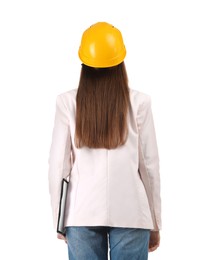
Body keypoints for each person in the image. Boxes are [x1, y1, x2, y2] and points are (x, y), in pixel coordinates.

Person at [48, 22, 162, 260]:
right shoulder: (140, 103)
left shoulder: (67, 103)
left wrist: (60, 219)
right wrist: (155, 222)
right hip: (131, 212)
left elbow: (58, 167)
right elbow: (149, 168)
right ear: (121, 63)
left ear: (84, 65)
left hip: (80, 213)